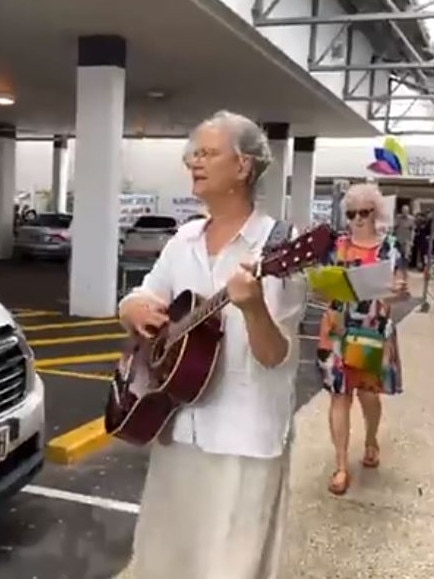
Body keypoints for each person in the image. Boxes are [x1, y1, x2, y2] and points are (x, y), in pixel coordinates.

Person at [118, 111, 307, 579]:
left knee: (227, 568)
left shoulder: (280, 246)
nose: (194, 162)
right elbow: (142, 296)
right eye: (192, 154)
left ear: (242, 167)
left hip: (243, 440)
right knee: (164, 561)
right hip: (176, 428)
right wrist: (133, 308)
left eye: (206, 153)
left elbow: (275, 357)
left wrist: (254, 308)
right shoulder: (183, 238)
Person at [317, 183, 404, 496]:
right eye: (351, 213)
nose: (357, 219)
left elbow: (398, 288)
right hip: (337, 330)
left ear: (375, 212)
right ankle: (341, 465)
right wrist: (324, 285)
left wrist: (397, 291)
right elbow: (323, 285)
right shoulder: (335, 247)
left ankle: (370, 439)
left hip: (371, 331)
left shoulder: (390, 247)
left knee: (368, 395)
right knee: (339, 396)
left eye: (364, 212)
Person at [394, 203, 414, 286]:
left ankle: (405, 276)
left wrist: (412, 240)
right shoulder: (398, 218)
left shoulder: (411, 219)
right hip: (398, 240)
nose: (404, 212)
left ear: (408, 211)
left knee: (406, 259)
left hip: (407, 242)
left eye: (406, 211)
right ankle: (397, 276)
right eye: (403, 210)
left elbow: (412, 230)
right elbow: (394, 228)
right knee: (397, 259)